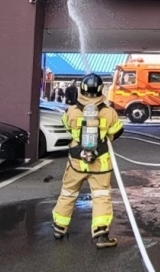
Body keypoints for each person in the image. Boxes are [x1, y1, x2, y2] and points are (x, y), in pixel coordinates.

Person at [51, 73, 124, 248]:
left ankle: (59, 227)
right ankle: (100, 234)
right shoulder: (109, 112)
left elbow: (66, 125)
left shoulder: (72, 111)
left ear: (81, 89)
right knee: (101, 196)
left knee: (68, 193)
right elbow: (118, 131)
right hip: (100, 164)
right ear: (100, 90)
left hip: (76, 162)